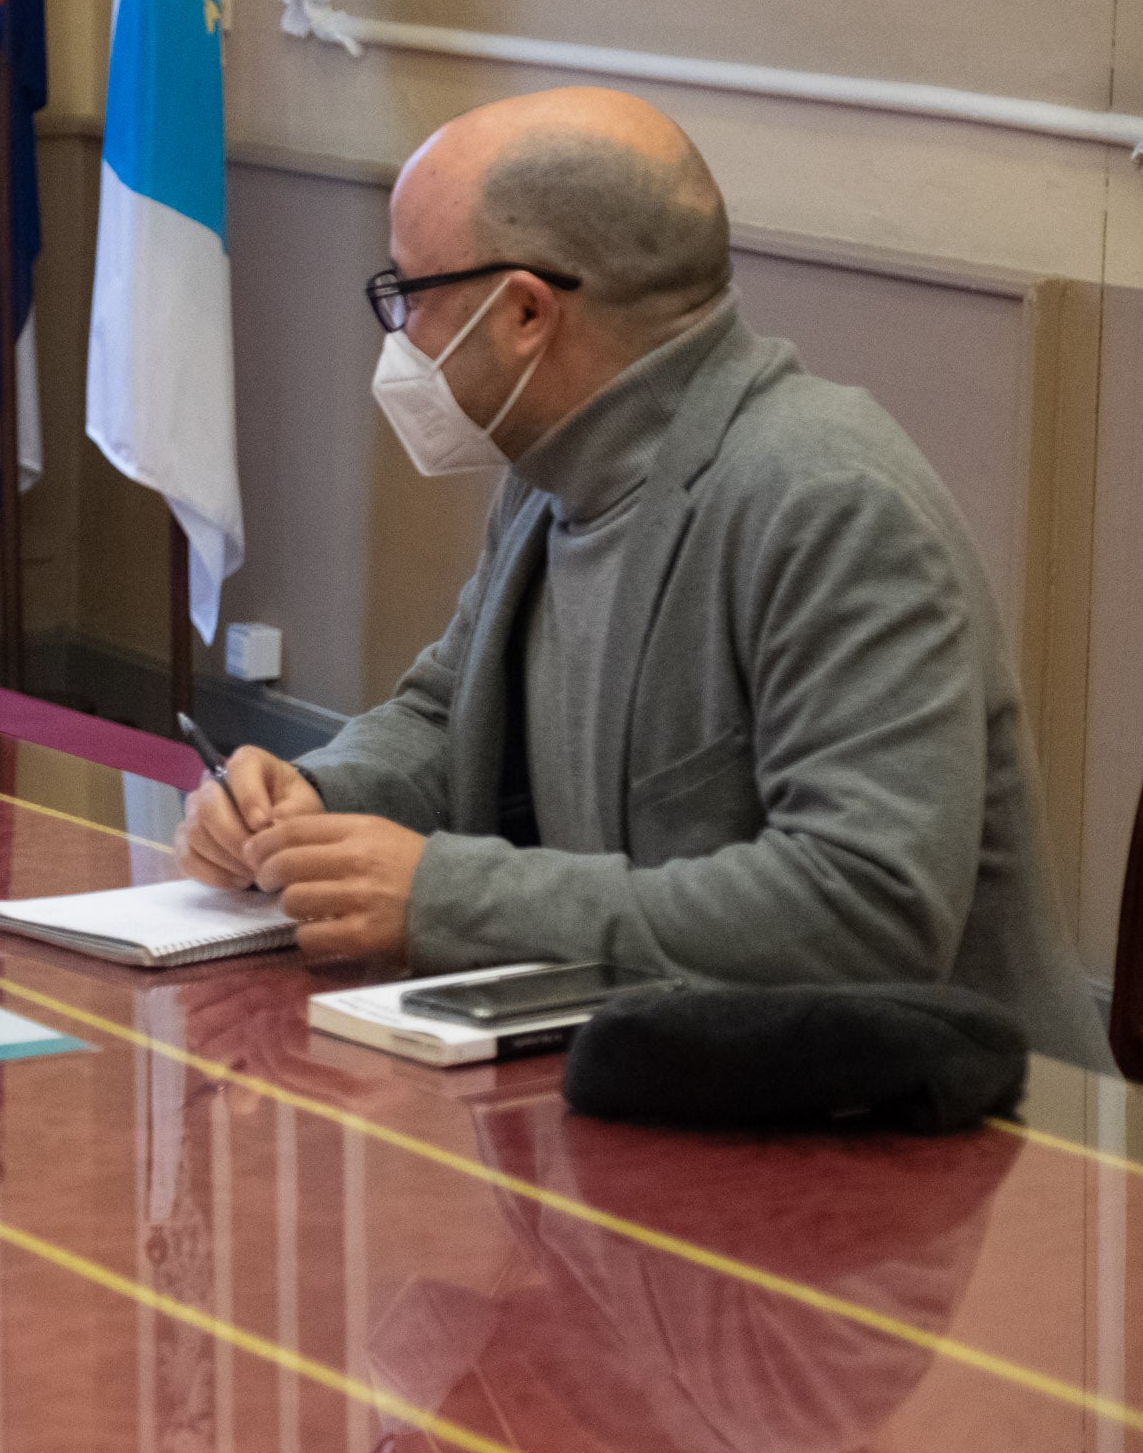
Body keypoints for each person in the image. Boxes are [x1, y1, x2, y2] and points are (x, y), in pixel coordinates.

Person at [178, 86, 1106, 1064]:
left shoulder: (829, 497)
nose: (400, 331)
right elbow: (452, 719)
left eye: (411, 294)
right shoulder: (549, 469)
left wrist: (444, 897)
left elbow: (862, 912)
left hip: (961, 1148)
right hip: (691, 1086)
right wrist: (310, 807)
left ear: (526, 311)